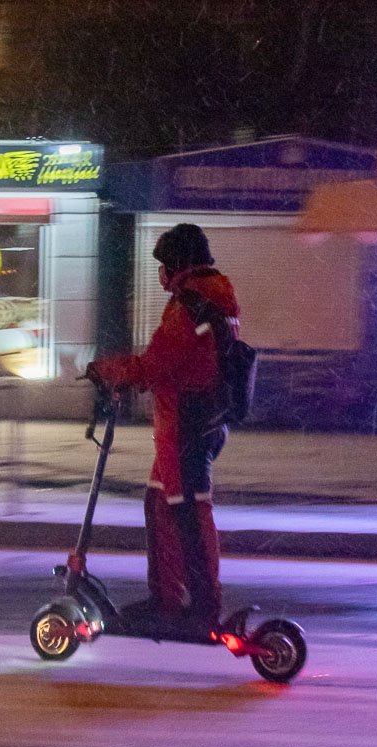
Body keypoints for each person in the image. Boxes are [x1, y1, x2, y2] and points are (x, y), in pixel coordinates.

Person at [85, 223, 240, 632]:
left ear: (180, 264)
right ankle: (166, 601)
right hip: (189, 424)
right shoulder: (207, 301)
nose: (161, 274)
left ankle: (203, 609)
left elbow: (159, 363)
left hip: (188, 427)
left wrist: (112, 370)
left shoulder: (192, 305)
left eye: (164, 264)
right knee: (159, 506)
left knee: (189, 515)